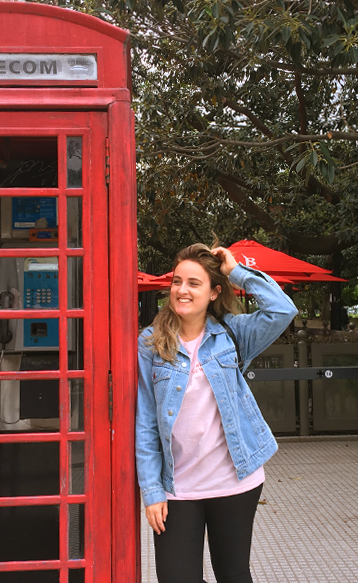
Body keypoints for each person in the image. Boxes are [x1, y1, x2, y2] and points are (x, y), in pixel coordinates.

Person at [136, 242, 298, 583]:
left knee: (233, 574)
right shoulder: (151, 343)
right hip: (177, 488)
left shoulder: (232, 333)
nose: (182, 290)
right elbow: (146, 420)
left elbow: (282, 310)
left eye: (194, 283)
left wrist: (235, 270)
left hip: (235, 481)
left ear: (213, 292)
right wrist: (151, 491)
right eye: (177, 281)